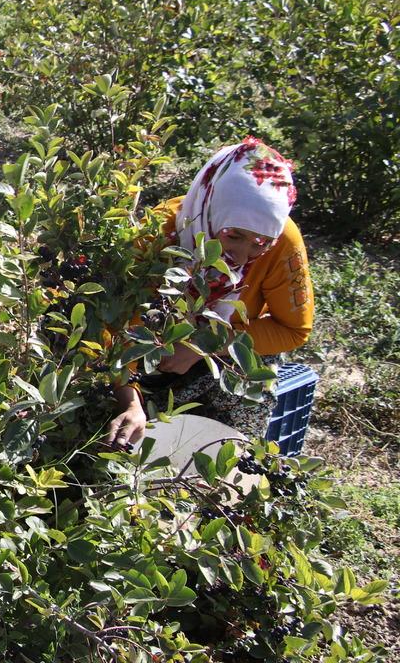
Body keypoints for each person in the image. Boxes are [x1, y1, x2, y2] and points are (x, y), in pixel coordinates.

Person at [105, 138, 313, 448]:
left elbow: (293, 329)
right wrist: (129, 402)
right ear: (211, 209)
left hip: (222, 352)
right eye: (234, 236)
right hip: (144, 358)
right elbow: (116, 327)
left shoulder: (283, 242)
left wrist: (204, 345)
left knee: (243, 399)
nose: (243, 258)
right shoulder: (161, 234)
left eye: (260, 244)